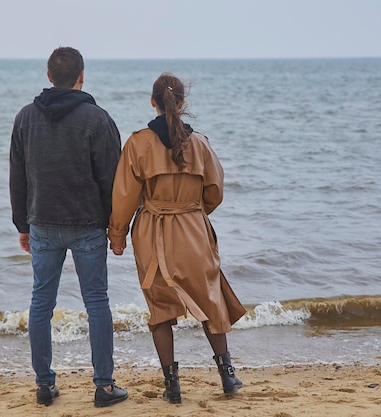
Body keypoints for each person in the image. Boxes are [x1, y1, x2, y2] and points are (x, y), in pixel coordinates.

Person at [108, 72, 246, 404]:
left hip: (152, 229)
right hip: (193, 228)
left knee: (160, 309)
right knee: (210, 300)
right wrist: (194, 214)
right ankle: (227, 376)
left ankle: (172, 385)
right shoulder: (199, 143)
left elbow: (124, 196)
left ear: (153, 102)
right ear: (182, 103)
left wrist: (118, 234)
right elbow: (215, 192)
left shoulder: (138, 143)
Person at [9, 46, 128, 408]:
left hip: (42, 222)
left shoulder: (25, 118)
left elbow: (18, 176)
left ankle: (44, 386)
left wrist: (21, 223)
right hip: (88, 224)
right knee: (97, 303)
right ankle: (104, 387)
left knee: (41, 304)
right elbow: (113, 180)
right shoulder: (97, 119)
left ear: (49, 77)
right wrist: (116, 226)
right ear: (81, 77)